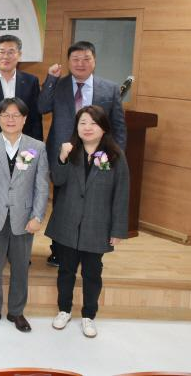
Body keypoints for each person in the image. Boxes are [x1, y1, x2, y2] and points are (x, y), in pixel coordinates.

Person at [39, 40, 127, 266]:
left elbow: (118, 126)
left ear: (94, 61)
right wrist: (50, 79)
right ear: (68, 62)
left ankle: (90, 248)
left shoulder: (110, 88)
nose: (80, 63)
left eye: (86, 59)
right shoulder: (58, 85)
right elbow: (41, 107)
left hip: (99, 156)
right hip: (65, 154)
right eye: (75, 59)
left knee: (95, 201)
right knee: (62, 201)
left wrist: (116, 158)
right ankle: (59, 250)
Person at [44, 105, 129, 338]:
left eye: (93, 123)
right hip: (68, 223)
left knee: (92, 273)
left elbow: (121, 194)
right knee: (66, 271)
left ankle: (89, 315)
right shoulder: (70, 151)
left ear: (104, 128)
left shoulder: (115, 156)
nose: (87, 127)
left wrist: (118, 229)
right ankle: (64, 310)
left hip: (97, 225)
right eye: (83, 123)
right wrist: (61, 158)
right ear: (76, 127)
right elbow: (57, 180)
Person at [0, 97, 49, 333]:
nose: (10, 119)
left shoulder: (37, 147)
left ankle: (17, 312)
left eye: (16, 115)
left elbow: (42, 186)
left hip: (24, 217)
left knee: (20, 268)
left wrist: (38, 216)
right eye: (5, 115)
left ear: (24, 119)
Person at [0, 35, 43, 141]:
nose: (5, 57)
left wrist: (37, 143)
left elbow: (35, 117)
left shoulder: (31, 81)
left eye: (11, 52)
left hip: (23, 142)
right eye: (2, 52)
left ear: (19, 55)